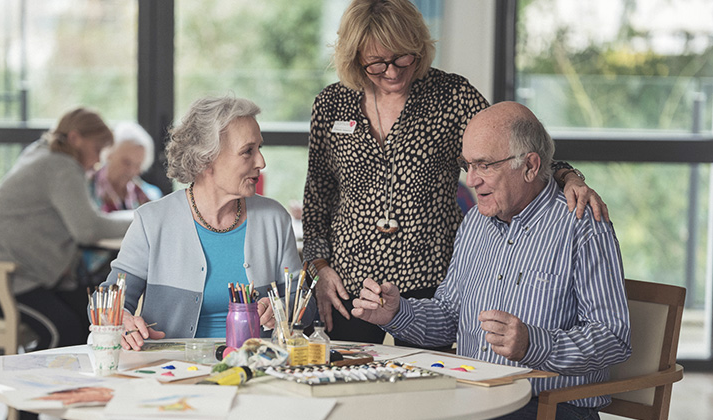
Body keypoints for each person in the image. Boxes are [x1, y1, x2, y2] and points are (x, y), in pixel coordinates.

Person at [303, 0, 609, 345]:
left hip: (430, 277)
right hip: (350, 281)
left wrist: (569, 177)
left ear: (419, 47)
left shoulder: (450, 96)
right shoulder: (331, 104)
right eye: (377, 63)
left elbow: (509, 151)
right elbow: (318, 196)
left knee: (425, 390)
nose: (392, 71)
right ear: (356, 57)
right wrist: (320, 269)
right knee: (349, 384)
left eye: (402, 56)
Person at [352, 101, 631, 420]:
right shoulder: (475, 223)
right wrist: (397, 311)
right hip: (472, 400)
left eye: (485, 165)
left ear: (530, 166)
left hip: (548, 407)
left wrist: (533, 344)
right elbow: (449, 316)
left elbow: (614, 337)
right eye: (467, 165)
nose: (471, 180)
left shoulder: (582, 224)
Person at [98, 96, 315, 351]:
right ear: (206, 159)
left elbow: (305, 302)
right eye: (248, 151)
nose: (261, 162)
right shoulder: (152, 221)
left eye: (260, 148)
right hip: (171, 369)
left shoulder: (274, 219)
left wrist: (281, 309)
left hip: (256, 367)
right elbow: (109, 298)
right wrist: (119, 318)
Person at [0, 107, 133, 351]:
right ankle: (35, 387)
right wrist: (139, 219)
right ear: (75, 138)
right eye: (97, 150)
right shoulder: (61, 166)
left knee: (87, 316)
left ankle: (72, 386)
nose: (97, 161)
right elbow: (87, 229)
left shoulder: (41, 153)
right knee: (63, 330)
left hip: (5, 276)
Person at [89, 121, 162, 212]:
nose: (131, 171)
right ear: (109, 154)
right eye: (126, 162)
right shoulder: (87, 187)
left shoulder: (150, 195)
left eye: (138, 165)